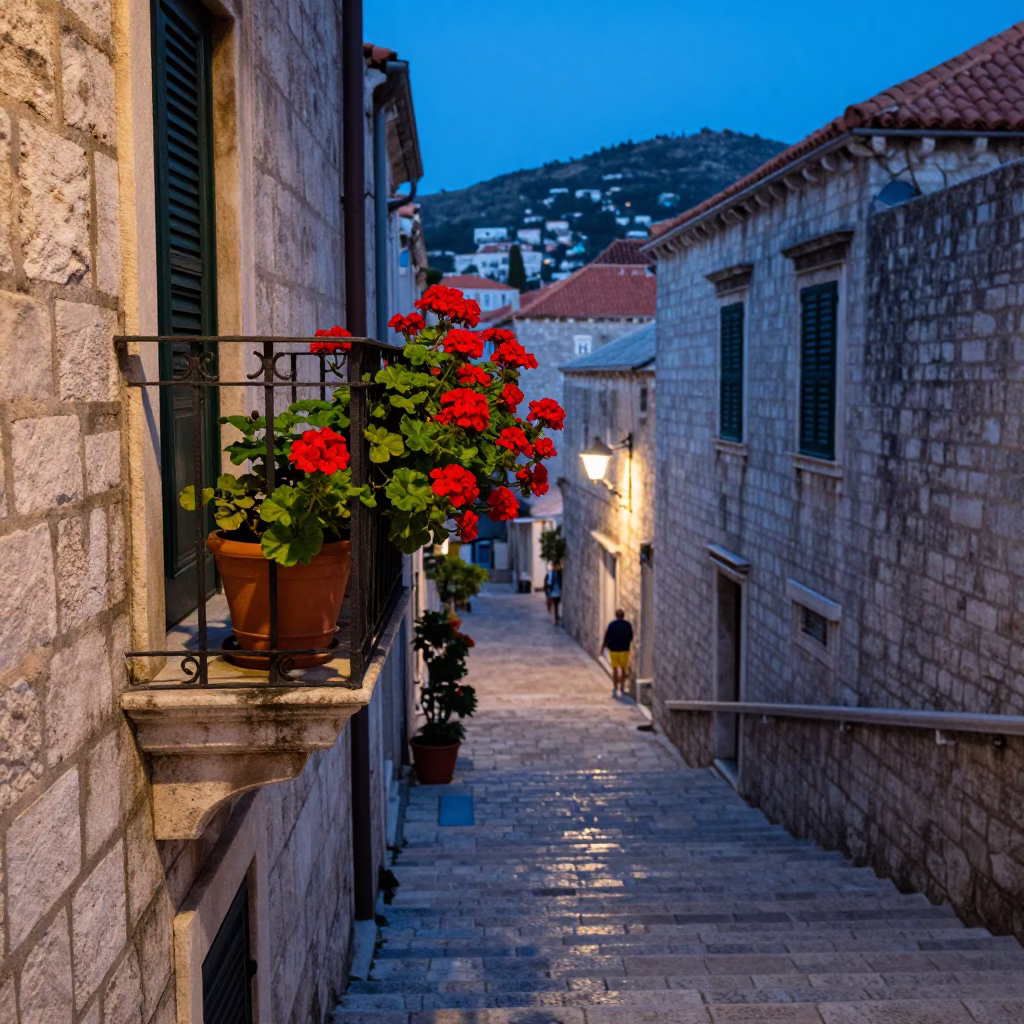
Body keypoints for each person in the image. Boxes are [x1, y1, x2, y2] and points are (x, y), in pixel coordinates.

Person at [601, 609, 633, 696]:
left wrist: (603, 647)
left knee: (614, 669)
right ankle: (622, 686)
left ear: (616, 615)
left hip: (614, 650)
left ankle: (615, 687)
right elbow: (630, 637)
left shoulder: (612, 625)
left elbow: (607, 637)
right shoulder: (627, 625)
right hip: (624, 650)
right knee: (623, 669)